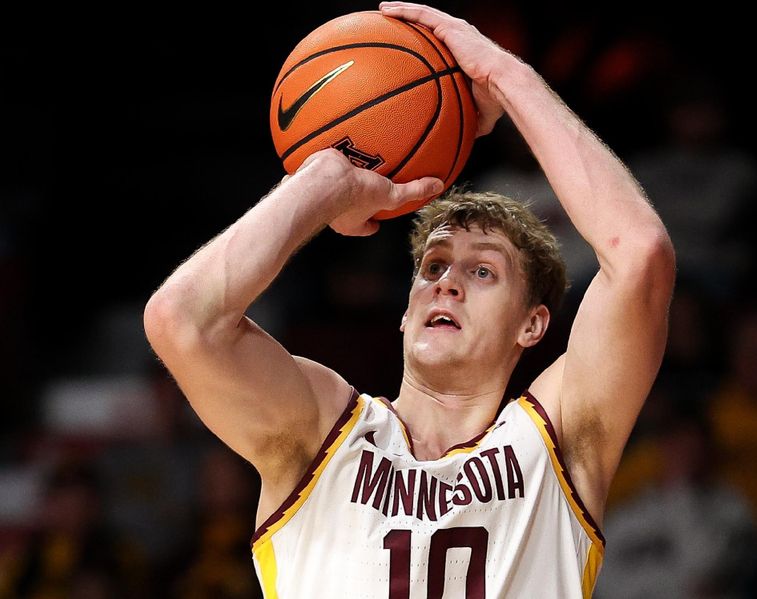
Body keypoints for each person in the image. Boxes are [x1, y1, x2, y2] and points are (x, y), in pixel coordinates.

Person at [143, 2, 675, 597]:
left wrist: (507, 76)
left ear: (532, 325)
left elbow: (640, 256)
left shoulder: (559, 439)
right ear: (404, 314)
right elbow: (181, 321)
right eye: (434, 267)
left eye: (482, 273)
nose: (446, 283)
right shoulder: (324, 431)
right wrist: (321, 184)